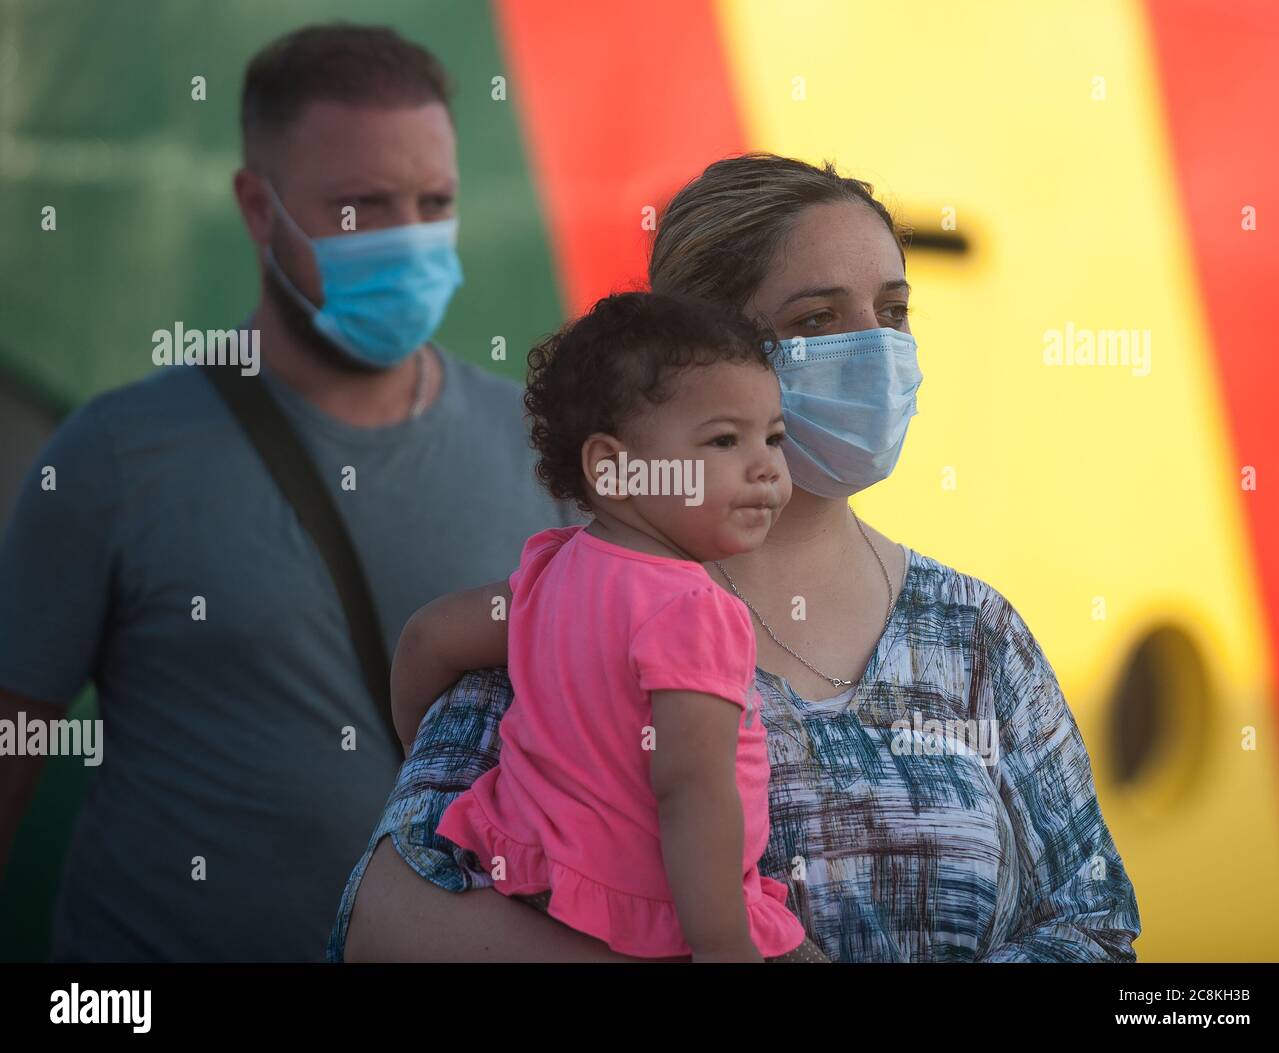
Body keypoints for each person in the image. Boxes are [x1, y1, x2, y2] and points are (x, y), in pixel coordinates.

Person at [332, 152, 1142, 963]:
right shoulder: (574, 608)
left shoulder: (974, 631)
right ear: (699, 348)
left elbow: (1094, 923)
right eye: (818, 321)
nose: (874, 351)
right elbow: (391, 918)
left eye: (892, 312)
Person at [0, 23, 575, 961]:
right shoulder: (112, 456)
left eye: (434, 201)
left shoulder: (544, 452)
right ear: (258, 207)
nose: (408, 239)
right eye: (360, 208)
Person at [390, 292, 830, 962]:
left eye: (772, 436)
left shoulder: (551, 569)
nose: (767, 465)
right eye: (723, 440)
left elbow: (427, 638)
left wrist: (414, 755)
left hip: (534, 884)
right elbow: (691, 789)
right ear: (614, 466)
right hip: (664, 917)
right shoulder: (694, 609)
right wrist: (723, 947)